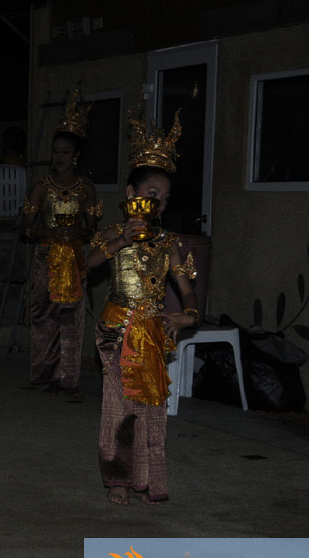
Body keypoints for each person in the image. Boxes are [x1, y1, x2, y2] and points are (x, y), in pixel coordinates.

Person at [87, 109, 198, 505]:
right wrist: (122, 242)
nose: (159, 205)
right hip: (116, 328)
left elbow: (187, 290)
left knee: (151, 405)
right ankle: (117, 478)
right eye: (153, 195)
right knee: (119, 403)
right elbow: (89, 263)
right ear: (133, 196)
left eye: (165, 199)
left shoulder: (170, 243)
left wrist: (190, 314)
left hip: (151, 331)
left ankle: (146, 477)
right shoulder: (116, 233)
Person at [22, 90, 99, 398]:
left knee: (71, 318)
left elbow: (92, 228)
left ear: (75, 156)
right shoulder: (41, 187)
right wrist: (50, 234)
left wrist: (77, 233)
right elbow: (26, 229)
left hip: (74, 258)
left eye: (65, 152)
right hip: (46, 256)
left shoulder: (86, 188)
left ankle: (67, 378)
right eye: (55, 151)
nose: (59, 157)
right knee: (44, 314)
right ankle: (44, 371)